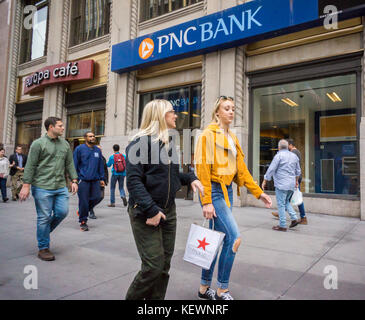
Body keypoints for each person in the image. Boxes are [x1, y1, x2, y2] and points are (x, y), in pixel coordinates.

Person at [195, 95, 272, 300]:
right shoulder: (207, 135)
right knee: (234, 237)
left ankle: (204, 288)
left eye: (233, 108)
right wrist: (207, 201)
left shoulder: (232, 138)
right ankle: (222, 289)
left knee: (216, 241)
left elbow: (242, 171)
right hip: (214, 191)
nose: (231, 111)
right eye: (226, 108)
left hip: (227, 192)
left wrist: (259, 192)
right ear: (217, 112)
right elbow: (202, 169)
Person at [125, 99, 204, 300]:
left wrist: (191, 178)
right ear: (160, 115)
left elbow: (171, 174)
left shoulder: (167, 143)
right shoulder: (140, 144)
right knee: (153, 266)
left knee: (164, 266)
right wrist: (151, 210)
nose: (175, 115)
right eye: (171, 112)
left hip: (168, 210)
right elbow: (133, 182)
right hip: (146, 212)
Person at [19, 117, 78, 261]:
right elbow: (31, 165)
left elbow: (69, 163)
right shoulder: (38, 144)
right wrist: (26, 185)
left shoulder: (64, 144)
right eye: (60, 126)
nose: (63, 128)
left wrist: (74, 180)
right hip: (42, 186)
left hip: (60, 186)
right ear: (51, 127)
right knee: (44, 217)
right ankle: (43, 248)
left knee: (62, 212)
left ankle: (43, 232)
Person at [262, 139, 301, 232]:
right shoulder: (294, 156)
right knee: (286, 201)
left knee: (281, 204)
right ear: (288, 147)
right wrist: (296, 181)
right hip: (291, 184)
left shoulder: (278, 156)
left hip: (281, 184)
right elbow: (298, 171)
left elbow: (271, 169)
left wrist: (265, 180)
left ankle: (282, 225)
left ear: (278, 147)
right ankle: (294, 218)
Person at [73, 132, 105, 231]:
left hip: (95, 179)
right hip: (83, 180)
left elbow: (100, 165)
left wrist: (102, 178)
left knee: (98, 197)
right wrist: (74, 179)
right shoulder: (79, 149)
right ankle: (83, 221)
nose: (93, 138)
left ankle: (83, 210)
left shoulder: (97, 150)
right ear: (85, 138)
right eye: (90, 136)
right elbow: (74, 164)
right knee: (84, 201)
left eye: (93, 136)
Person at [271, 139, 308, 224]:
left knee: (293, 198)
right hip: (294, 178)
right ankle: (287, 214)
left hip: (293, 179)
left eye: (287, 146)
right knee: (289, 198)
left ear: (290, 145)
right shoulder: (296, 152)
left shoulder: (293, 153)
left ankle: (302, 217)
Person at [89, 145, 109, 219]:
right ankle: (91, 211)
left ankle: (86, 208)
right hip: (94, 180)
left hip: (101, 180)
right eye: (98, 149)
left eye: (101, 149)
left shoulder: (103, 158)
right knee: (93, 196)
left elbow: (105, 170)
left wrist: (105, 180)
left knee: (101, 196)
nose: (100, 151)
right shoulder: (91, 158)